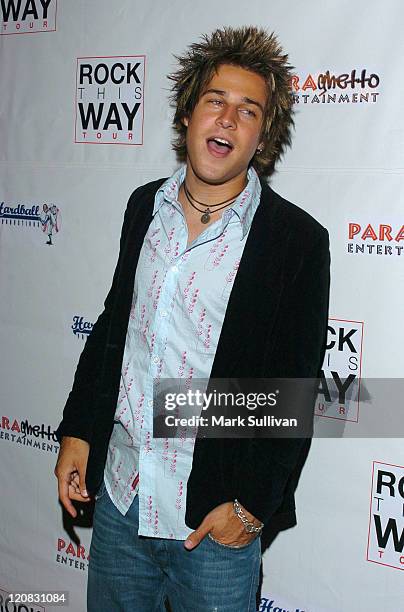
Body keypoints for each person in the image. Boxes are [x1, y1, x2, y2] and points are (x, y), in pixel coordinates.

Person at [54, 26, 330, 611]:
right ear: (188, 116)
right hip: (121, 499)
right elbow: (113, 328)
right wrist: (80, 429)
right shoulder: (142, 208)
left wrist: (252, 504)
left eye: (247, 110)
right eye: (215, 101)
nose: (228, 119)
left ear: (263, 137)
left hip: (211, 521)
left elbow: (295, 387)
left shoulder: (295, 241)